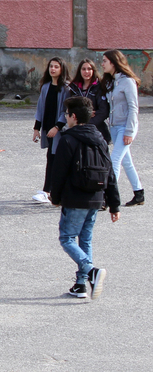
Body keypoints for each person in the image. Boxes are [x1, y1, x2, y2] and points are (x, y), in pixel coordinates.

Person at [50, 96, 120, 300]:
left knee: (67, 238)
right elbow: (110, 172)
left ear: (72, 116)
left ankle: (91, 271)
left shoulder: (68, 139)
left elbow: (59, 172)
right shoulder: (100, 139)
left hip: (75, 197)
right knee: (85, 240)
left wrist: (55, 196)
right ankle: (81, 285)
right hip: (96, 198)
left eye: (66, 114)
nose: (66, 117)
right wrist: (114, 204)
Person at [102, 49, 144, 207]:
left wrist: (129, 131)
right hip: (114, 127)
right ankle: (139, 193)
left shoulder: (128, 81)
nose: (102, 64)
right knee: (127, 162)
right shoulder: (112, 81)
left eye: (105, 61)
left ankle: (108, 198)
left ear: (113, 62)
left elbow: (134, 108)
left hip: (125, 128)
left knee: (114, 160)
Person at [32, 57, 69, 203]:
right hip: (48, 128)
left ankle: (48, 191)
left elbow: (65, 111)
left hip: (59, 130)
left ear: (62, 69)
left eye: (56, 67)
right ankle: (50, 190)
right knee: (51, 157)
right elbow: (40, 109)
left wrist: (57, 127)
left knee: (55, 159)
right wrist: (36, 128)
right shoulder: (46, 86)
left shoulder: (66, 88)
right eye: (51, 66)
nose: (53, 69)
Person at [68, 58, 110, 145]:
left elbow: (103, 111)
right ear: (79, 71)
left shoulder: (100, 87)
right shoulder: (74, 88)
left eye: (89, 69)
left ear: (93, 70)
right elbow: (70, 109)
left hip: (96, 130)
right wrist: (85, 114)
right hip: (77, 130)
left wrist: (85, 122)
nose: (86, 72)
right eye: (84, 69)